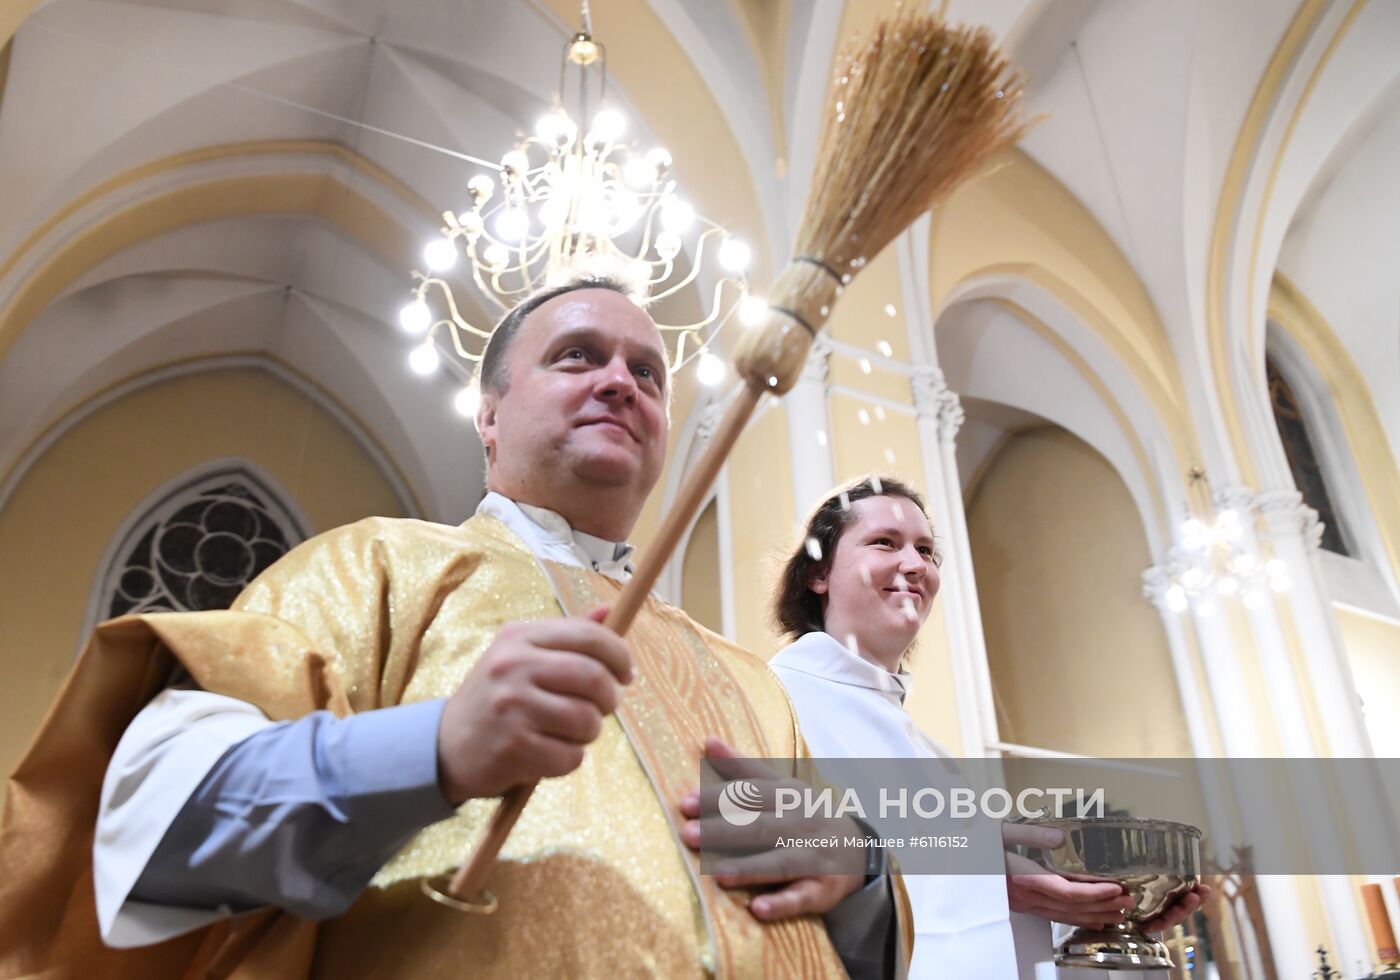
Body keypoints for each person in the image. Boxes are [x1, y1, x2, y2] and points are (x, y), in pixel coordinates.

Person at [0, 279, 908, 979]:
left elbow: (864, 938)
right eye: (577, 356)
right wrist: (433, 748)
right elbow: (159, 819)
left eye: (647, 372)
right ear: (488, 415)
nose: (620, 383)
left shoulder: (748, 679)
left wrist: (858, 865)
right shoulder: (375, 568)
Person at [767, 475, 1208, 979]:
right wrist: (991, 882)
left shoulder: (932, 753)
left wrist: (1104, 920)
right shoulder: (771, 700)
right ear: (817, 574)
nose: (915, 565)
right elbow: (778, 863)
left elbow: (986, 927)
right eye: (884, 543)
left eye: (927, 551)